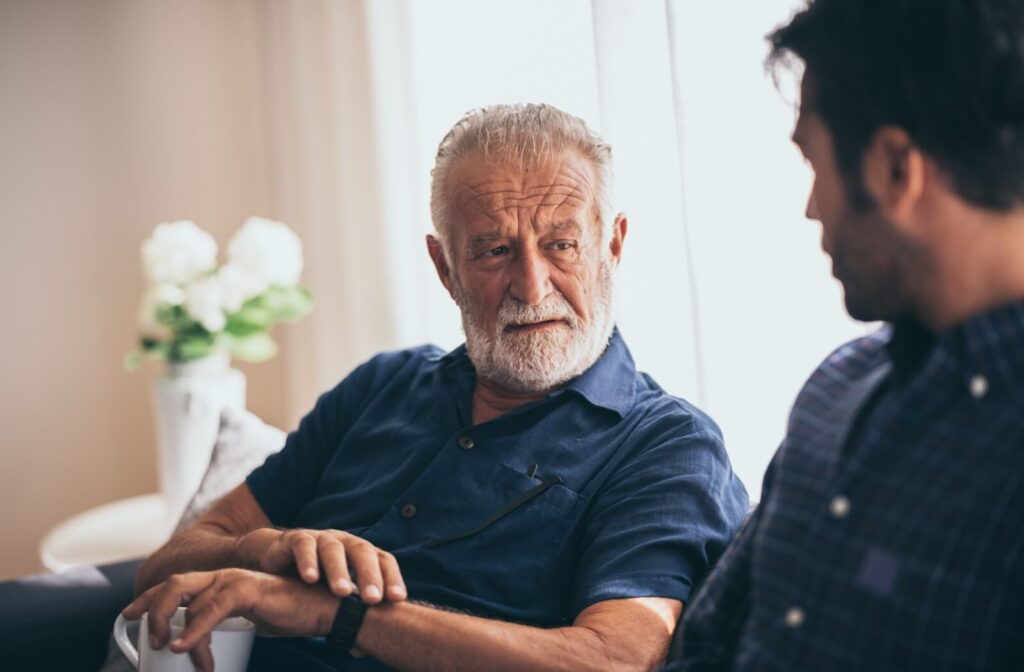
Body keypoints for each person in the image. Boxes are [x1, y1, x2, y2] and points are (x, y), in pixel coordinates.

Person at [124, 104, 749, 672]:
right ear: (444, 267)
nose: (532, 286)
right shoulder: (383, 384)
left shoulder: (666, 445)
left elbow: (613, 661)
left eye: (561, 245)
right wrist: (265, 552)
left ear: (612, 245)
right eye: (494, 251)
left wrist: (336, 615)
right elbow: (162, 567)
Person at [672, 1, 1024, 670]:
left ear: (896, 168)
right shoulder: (835, 392)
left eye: (814, 161)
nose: (811, 208)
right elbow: (707, 648)